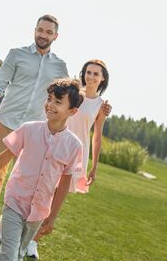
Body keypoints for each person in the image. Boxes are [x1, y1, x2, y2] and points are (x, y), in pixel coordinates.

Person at [0, 15, 69, 241]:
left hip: (35, 130)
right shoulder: (17, 54)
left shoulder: (60, 66)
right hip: (6, 121)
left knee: (23, 182)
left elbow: (66, 98)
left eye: (48, 32)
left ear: (55, 36)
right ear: (35, 30)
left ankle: (3, 229)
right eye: (40, 30)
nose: (43, 35)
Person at [0, 79, 84, 261]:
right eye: (49, 99)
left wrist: (52, 217)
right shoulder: (28, 129)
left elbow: (64, 183)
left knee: (19, 253)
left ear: (72, 111)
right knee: (8, 255)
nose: (50, 105)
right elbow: (3, 159)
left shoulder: (74, 145)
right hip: (15, 200)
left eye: (58, 102)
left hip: (39, 210)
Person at [26, 59, 110, 259]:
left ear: (102, 78)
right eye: (88, 72)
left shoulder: (101, 106)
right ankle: (17, 231)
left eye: (95, 74)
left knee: (54, 199)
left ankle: (33, 240)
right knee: (38, 190)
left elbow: (97, 137)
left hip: (75, 154)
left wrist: (94, 166)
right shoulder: (73, 94)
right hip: (54, 144)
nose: (90, 76)